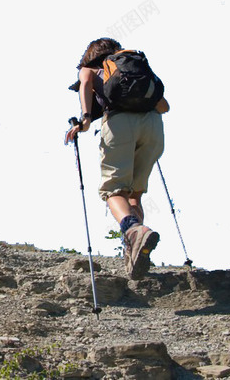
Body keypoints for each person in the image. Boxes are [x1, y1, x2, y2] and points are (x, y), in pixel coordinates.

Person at [65, 37, 169, 280]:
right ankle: (135, 253)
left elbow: (86, 82)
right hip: (153, 127)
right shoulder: (136, 68)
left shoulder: (90, 68)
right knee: (134, 193)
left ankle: (133, 231)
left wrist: (86, 118)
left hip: (120, 123)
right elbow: (164, 106)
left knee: (113, 191)